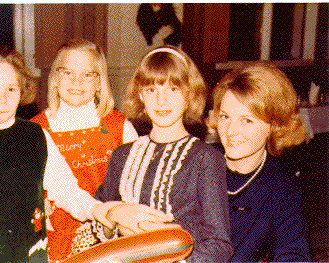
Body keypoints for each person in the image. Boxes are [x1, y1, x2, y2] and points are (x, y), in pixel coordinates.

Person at [0, 43, 166, 263]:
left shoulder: (36, 136)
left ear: (21, 92)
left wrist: (105, 211)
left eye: (11, 89)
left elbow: (67, 191)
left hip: (30, 255)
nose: (2, 99)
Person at [95, 46, 233, 262]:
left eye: (173, 89)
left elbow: (219, 244)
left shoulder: (204, 158)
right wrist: (112, 222)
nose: (161, 101)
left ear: (190, 94)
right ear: (141, 95)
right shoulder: (122, 156)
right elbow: (99, 223)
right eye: (152, 90)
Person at [31, 38, 139, 261]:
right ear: (55, 79)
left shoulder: (119, 127)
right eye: (67, 72)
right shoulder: (35, 130)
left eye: (87, 74)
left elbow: (136, 191)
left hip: (110, 239)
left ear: (100, 82)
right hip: (54, 244)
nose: (76, 81)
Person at [206, 62, 311, 262]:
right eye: (225, 117)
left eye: (247, 120)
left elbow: (294, 254)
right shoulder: (198, 162)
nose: (230, 131)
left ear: (275, 125)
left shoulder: (281, 189)